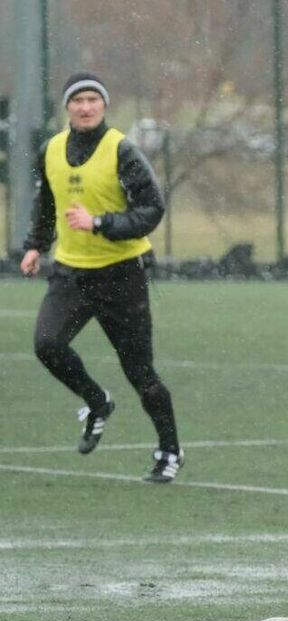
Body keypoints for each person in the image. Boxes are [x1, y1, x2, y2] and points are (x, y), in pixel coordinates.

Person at [19, 71, 183, 483]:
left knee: (140, 373)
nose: (86, 107)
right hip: (72, 273)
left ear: (104, 106)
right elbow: (47, 202)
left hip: (122, 275)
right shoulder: (51, 149)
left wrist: (100, 223)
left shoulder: (122, 151)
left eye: (94, 100)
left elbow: (152, 209)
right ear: (67, 107)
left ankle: (169, 450)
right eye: (78, 100)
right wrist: (36, 245)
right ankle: (97, 402)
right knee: (47, 345)